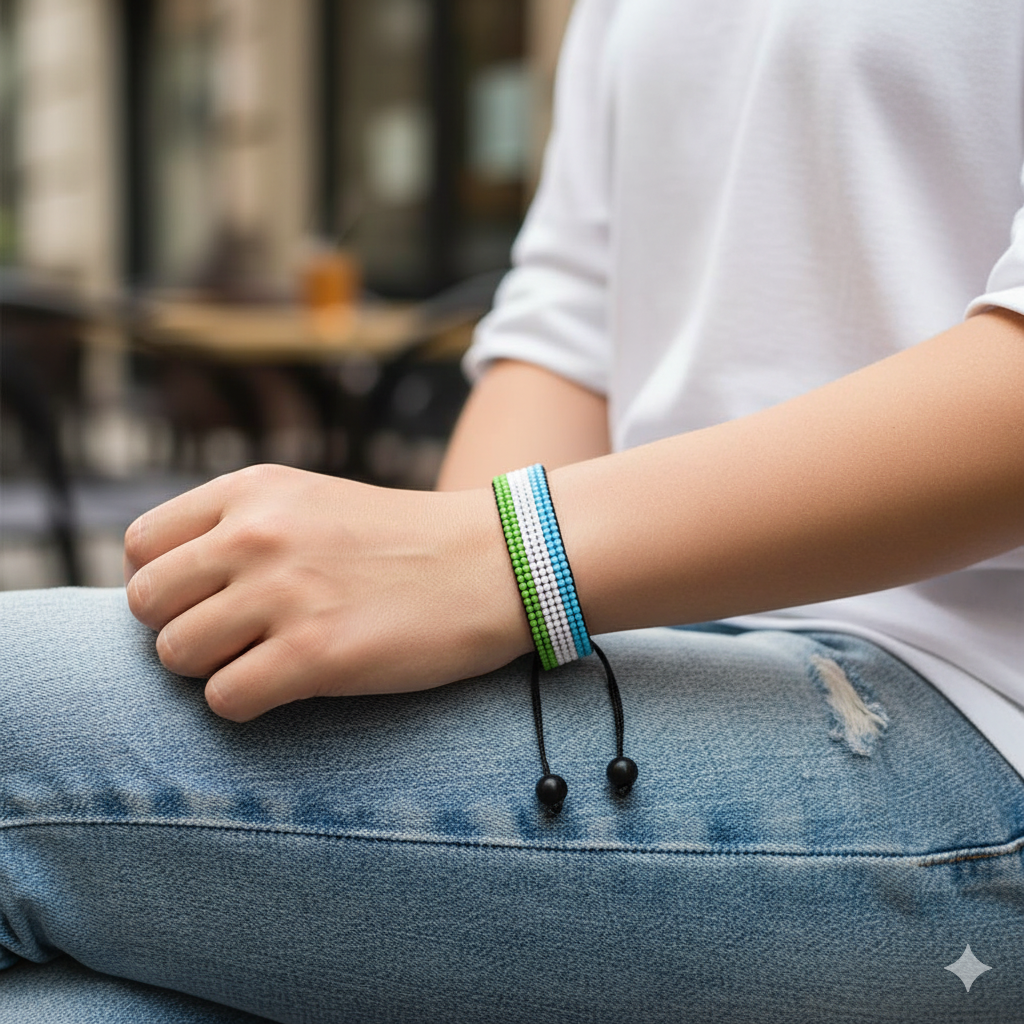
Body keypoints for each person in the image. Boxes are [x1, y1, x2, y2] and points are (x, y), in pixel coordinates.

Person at [2, 1, 1023, 1020]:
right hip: (661, 646)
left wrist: (498, 556)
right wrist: (451, 648)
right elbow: (571, 314)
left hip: (975, 720)